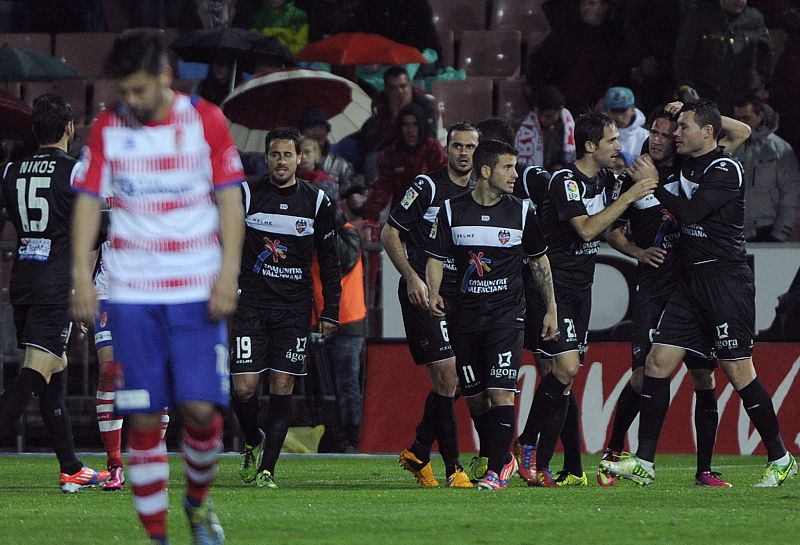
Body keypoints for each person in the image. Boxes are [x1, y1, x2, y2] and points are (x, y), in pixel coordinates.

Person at [70, 30, 245, 545]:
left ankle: (196, 502)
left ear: (166, 77)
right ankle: (159, 537)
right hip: (131, 294)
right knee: (144, 415)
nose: (132, 102)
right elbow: (86, 199)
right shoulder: (109, 128)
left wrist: (228, 272)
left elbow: (230, 199)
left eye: (140, 90)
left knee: (200, 411)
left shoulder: (206, 120)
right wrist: (81, 274)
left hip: (194, 289)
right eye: (124, 91)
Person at [601, 100, 797, 487]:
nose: (675, 134)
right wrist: (682, 114)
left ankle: (781, 457)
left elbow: (691, 214)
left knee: (737, 371)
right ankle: (644, 461)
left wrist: (654, 182)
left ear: (707, 132)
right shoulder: (684, 164)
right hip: (691, 285)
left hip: (725, 281)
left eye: (683, 127)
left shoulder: (724, 167)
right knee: (657, 363)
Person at [514, 112, 657, 487]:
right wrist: (630, 195)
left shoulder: (608, 180)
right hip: (552, 287)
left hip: (582, 288)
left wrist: (638, 252)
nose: (618, 147)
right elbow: (588, 228)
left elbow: (609, 232)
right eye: (611, 140)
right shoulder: (566, 180)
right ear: (590, 145)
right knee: (565, 369)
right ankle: (527, 444)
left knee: (565, 378)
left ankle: (540, 462)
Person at [425, 139, 558, 490]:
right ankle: (504, 457)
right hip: (464, 317)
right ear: (486, 171)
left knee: (501, 391)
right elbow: (435, 258)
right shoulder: (452, 211)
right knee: (476, 398)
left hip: (506, 315)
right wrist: (434, 292)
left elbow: (539, 261)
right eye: (508, 167)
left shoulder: (521, 211)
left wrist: (551, 311)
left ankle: (496, 470)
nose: (515, 174)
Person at [0, 93, 109, 493]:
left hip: (24, 282)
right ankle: (70, 466)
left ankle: (71, 466)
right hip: (55, 284)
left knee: (54, 372)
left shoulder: (11, 170)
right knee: (35, 372)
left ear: (34, 130)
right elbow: (98, 228)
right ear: (68, 128)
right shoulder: (76, 173)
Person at [232, 127, 341, 489]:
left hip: (294, 309)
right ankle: (253, 439)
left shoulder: (316, 202)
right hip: (251, 304)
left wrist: (331, 310)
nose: (281, 161)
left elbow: (329, 260)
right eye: (275, 155)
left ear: (300, 158)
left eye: (288, 155)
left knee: (282, 385)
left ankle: (268, 470)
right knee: (244, 388)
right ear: (267, 158)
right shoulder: (246, 195)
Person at [379, 122, 480, 489]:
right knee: (448, 374)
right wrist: (411, 277)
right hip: (424, 292)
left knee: (455, 383)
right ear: (446, 148)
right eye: (457, 146)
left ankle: (420, 449)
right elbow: (389, 233)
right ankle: (454, 469)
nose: (464, 153)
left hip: (461, 296)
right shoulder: (427, 186)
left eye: (470, 147)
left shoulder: (479, 193)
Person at [311, 215, 366, 453]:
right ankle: (327, 434)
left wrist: (328, 225)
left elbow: (343, 258)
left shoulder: (349, 233)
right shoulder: (309, 232)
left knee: (347, 384)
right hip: (318, 319)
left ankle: (350, 439)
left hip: (347, 320)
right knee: (319, 386)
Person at [673, 0, 772, 115]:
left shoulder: (754, 19)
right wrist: (685, 86)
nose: (738, 1)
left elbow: (766, 55)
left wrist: (758, 83)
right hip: (706, 95)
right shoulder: (701, 16)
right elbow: (683, 56)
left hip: (741, 99)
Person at [362, 102, 447, 226]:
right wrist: (369, 219)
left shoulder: (434, 151)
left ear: (422, 126)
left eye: (415, 125)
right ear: (400, 128)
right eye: (406, 125)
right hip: (401, 217)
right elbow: (380, 190)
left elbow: (445, 185)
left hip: (432, 215)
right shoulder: (391, 154)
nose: (410, 130)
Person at [733, 95, 800, 241]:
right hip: (737, 232)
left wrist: (781, 233)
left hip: (769, 230)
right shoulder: (731, 148)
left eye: (746, 118)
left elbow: (791, 192)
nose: (741, 124)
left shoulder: (780, 148)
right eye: (737, 119)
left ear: (760, 116)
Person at [360, 66, 440, 181]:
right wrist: (395, 118)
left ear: (410, 86)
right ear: (386, 90)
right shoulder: (379, 105)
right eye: (393, 88)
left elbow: (431, 136)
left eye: (403, 86)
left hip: (418, 149)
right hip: (391, 151)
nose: (399, 92)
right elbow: (372, 143)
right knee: (371, 158)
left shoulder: (425, 104)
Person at [515, 85, 576, 171]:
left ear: (559, 110)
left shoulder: (567, 127)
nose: (542, 119)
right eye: (540, 114)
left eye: (548, 116)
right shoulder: (522, 127)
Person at [300, 106, 357, 195]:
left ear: (327, 132)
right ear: (302, 132)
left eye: (321, 127)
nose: (316, 132)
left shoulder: (342, 166)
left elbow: (352, 192)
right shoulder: (290, 164)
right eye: (311, 127)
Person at [603, 86, 649, 160]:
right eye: (614, 110)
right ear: (606, 110)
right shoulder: (597, 133)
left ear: (633, 109)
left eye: (623, 110)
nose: (619, 116)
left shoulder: (645, 137)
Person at [298, 135, 339, 202]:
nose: (303, 157)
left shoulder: (325, 181)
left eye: (307, 152)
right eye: (299, 153)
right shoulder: (286, 179)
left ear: (316, 154)